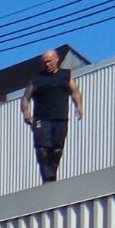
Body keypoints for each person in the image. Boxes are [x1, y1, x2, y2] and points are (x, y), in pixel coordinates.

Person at [21, 49, 84, 184]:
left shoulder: (65, 75)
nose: (47, 64)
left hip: (60, 118)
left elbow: (75, 91)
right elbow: (26, 98)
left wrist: (79, 106)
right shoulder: (36, 79)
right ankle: (47, 177)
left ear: (57, 60)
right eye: (45, 62)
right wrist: (26, 112)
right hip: (41, 119)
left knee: (56, 150)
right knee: (43, 149)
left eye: (49, 61)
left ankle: (52, 176)